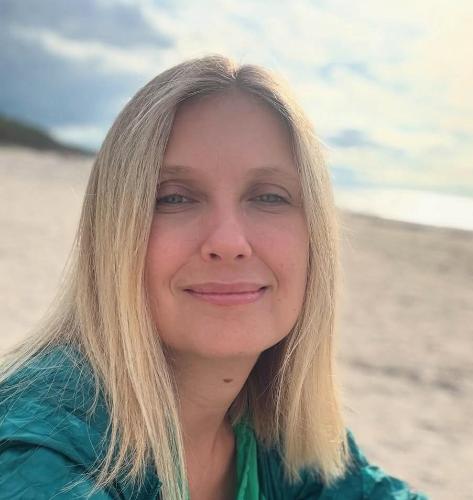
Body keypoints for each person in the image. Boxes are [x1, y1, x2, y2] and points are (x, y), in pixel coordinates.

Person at [0, 55, 427, 499]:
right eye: (174, 198)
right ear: (112, 232)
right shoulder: (37, 461)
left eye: (268, 196)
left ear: (314, 236)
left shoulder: (278, 436)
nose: (228, 241)